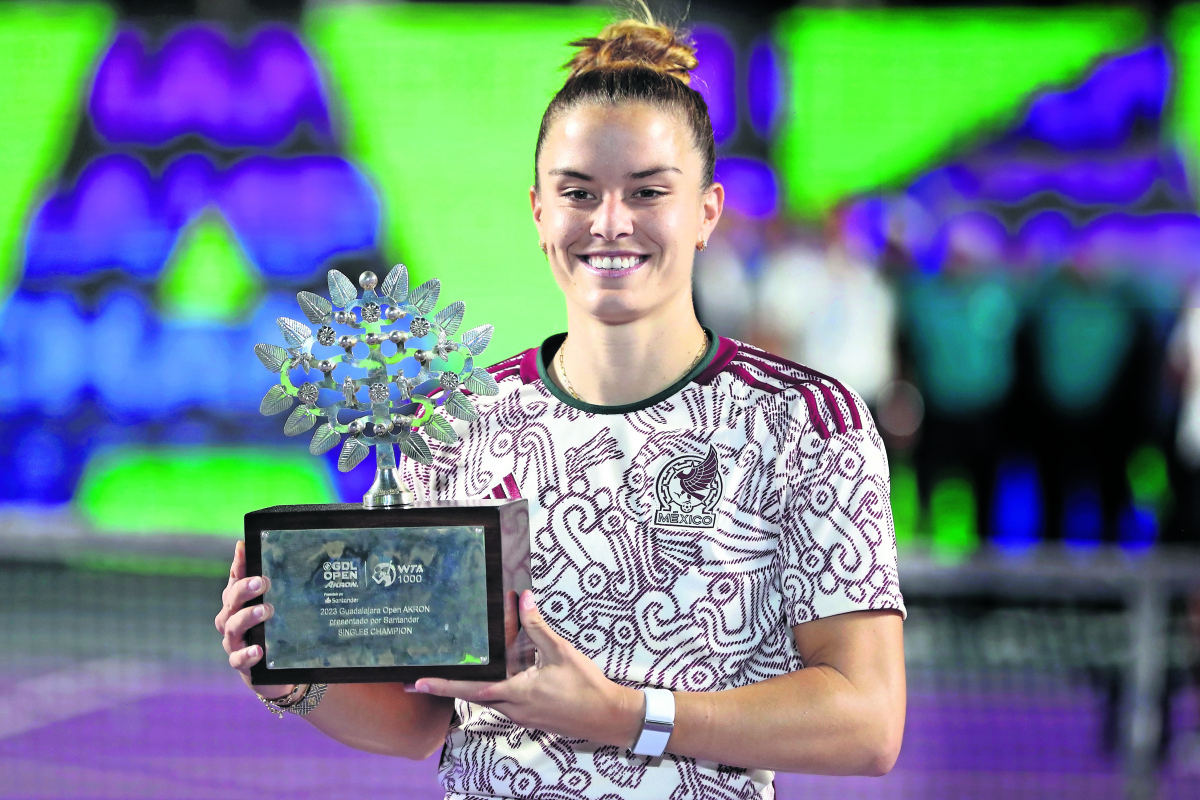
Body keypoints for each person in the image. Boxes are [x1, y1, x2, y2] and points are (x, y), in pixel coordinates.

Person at [215, 12, 906, 799]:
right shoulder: (460, 429)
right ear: (540, 212)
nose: (610, 222)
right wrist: (292, 676)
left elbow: (867, 720)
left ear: (707, 211)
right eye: (579, 193)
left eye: (648, 191)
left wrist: (619, 713)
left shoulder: (805, 424)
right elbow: (426, 724)